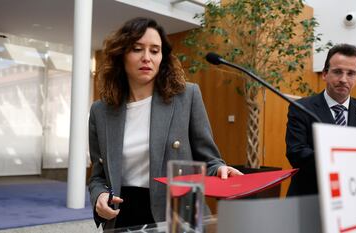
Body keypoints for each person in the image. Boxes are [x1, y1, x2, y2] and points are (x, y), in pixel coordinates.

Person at [88, 17, 243, 230]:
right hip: (123, 215)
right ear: (121, 54)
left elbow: (210, 160)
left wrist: (220, 170)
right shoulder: (101, 110)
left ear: (163, 57)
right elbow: (98, 175)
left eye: (154, 50)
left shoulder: (187, 97)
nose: (146, 58)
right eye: (137, 49)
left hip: (177, 211)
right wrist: (100, 196)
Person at [285, 43, 356, 196]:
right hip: (311, 196)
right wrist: (341, 161)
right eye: (337, 72)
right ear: (325, 74)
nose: (343, 79)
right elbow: (296, 153)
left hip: (354, 195)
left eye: (351, 73)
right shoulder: (301, 108)